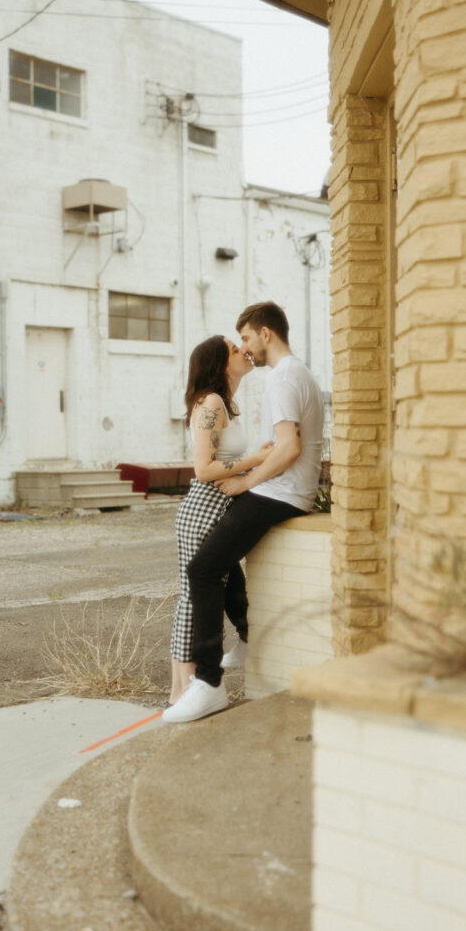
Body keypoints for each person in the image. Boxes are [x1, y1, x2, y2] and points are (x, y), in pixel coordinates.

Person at [162, 301, 324, 723]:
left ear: (266, 334)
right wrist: (251, 467)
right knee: (215, 564)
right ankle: (236, 649)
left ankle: (209, 684)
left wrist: (246, 481)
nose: (247, 348)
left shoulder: (282, 379)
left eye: (247, 338)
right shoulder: (291, 376)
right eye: (239, 345)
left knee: (202, 570)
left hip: (280, 492)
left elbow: (288, 448)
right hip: (282, 490)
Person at [168, 335, 272, 705]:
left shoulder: (227, 403)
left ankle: (186, 686)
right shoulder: (210, 402)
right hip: (203, 510)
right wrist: (256, 460)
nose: (243, 350)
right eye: (232, 347)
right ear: (219, 363)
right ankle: (183, 688)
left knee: (217, 591)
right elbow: (203, 469)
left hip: (217, 508)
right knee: (193, 600)